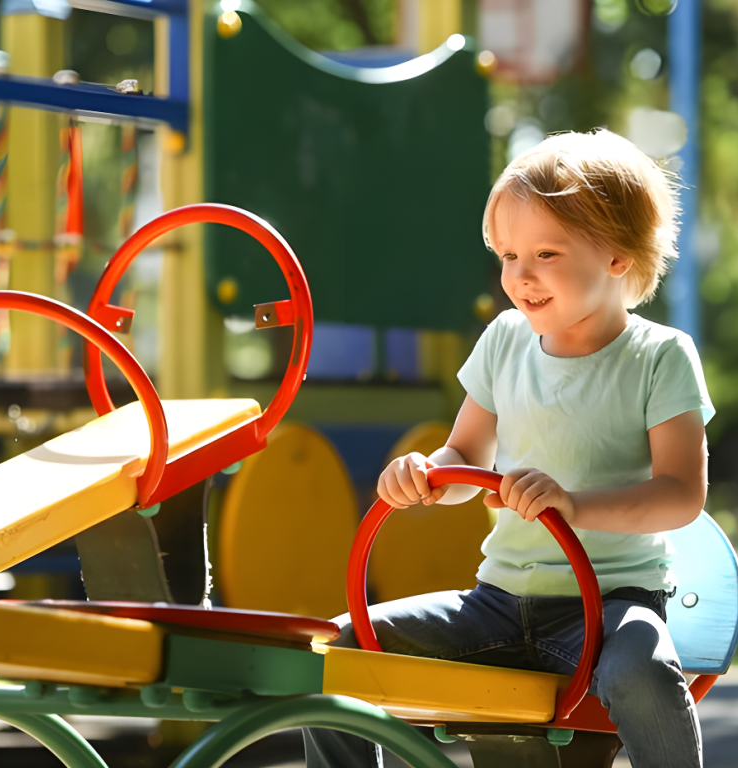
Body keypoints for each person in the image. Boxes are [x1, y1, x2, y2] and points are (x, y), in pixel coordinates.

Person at [304, 129, 713, 768]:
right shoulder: (504, 341)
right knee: (341, 647)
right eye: (507, 255)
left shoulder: (659, 356)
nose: (520, 277)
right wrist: (426, 474)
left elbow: (681, 496)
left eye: (546, 253)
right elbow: (464, 458)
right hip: (496, 602)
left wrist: (571, 505)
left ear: (617, 257)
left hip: (607, 606)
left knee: (642, 672)